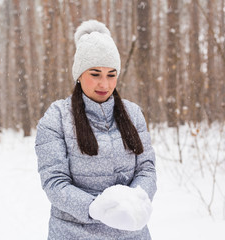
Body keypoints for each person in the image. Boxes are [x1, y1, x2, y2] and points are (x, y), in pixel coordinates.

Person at [35, 20, 157, 240]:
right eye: (95, 74)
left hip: (131, 234)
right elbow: (54, 182)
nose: (104, 84)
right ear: (79, 75)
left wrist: (136, 202)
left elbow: (146, 169)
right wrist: (95, 208)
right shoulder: (57, 118)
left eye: (111, 75)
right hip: (73, 233)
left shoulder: (133, 114)